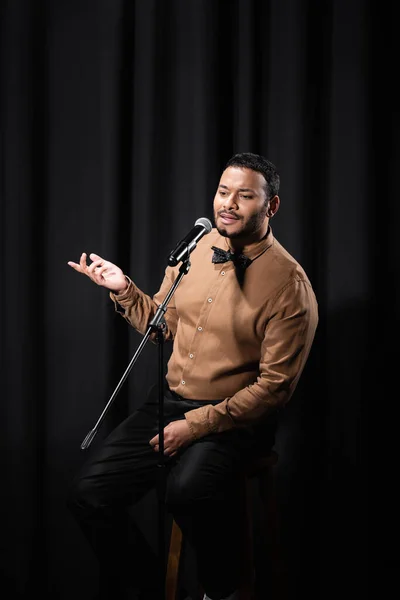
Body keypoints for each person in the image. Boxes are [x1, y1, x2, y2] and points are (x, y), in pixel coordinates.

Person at [67, 152, 318, 600]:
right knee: (89, 495)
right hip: (169, 400)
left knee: (185, 491)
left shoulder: (290, 286)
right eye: (224, 192)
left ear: (271, 206)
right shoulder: (197, 248)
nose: (229, 203)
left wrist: (195, 426)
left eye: (245, 196)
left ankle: (225, 589)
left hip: (235, 420)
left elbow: (274, 389)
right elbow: (160, 325)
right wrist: (123, 289)